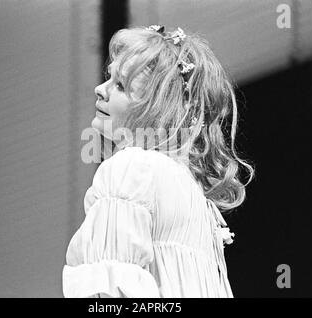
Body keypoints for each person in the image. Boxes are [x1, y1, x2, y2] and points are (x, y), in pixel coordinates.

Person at [62, 25, 254, 298]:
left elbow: (109, 297)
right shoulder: (197, 199)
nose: (100, 89)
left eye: (120, 85)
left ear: (155, 106)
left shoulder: (132, 169)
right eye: (109, 78)